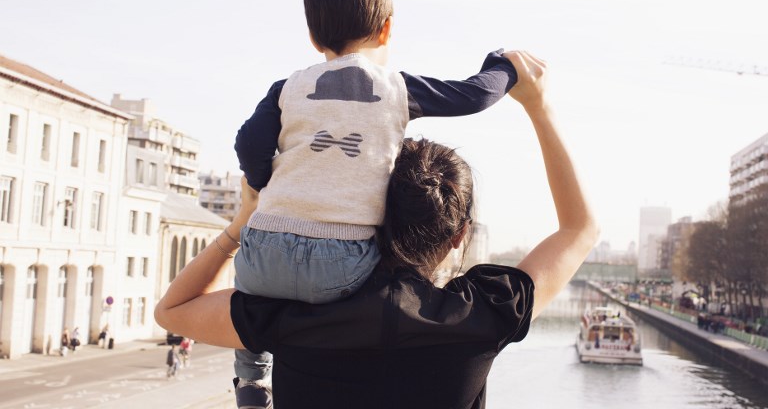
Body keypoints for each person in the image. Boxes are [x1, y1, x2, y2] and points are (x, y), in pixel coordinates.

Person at [155, 51, 599, 409]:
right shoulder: (480, 316)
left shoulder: (297, 312)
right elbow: (580, 229)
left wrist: (239, 226)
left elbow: (173, 311)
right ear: (459, 235)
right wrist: (539, 107)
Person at [230, 0, 518, 407]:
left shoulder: (286, 88)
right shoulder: (395, 89)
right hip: (345, 267)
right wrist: (503, 65)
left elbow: (249, 144)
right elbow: (475, 95)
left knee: (248, 301)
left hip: (263, 253)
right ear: (385, 30)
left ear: (313, 37)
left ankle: (252, 381)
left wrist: (265, 180)